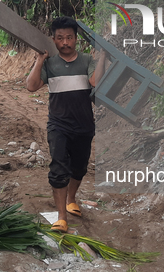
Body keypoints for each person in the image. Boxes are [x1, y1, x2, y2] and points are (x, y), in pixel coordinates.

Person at [26, 16, 105, 233]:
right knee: (59, 168)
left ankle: (72, 199)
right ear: (54, 39)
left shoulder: (88, 60)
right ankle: (61, 217)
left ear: (76, 39)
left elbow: (95, 82)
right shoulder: (50, 64)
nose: (65, 42)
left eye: (69, 37)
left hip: (84, 125)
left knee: (79, 167)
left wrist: (103, 57)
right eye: (60, 38)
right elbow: (31, 86)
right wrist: (40, 60)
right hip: (58, 125)